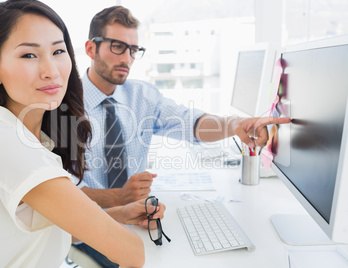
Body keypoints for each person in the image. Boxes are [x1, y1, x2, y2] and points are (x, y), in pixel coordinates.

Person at [0, 1, 166, 267]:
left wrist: (120, 213)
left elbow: (51, 222)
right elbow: (132, 253)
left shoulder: (12, 134)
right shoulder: (7, 147)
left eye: (58, 51)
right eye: (29, 55)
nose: (51, 71)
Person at [75, 5, 290, 267]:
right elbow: (59, 191)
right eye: (117, 46)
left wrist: (234, 124)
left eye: (133, 50)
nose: (127, 58)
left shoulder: (142, 95)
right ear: (90, 49)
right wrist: (117, 198)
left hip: (138, 219)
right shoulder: (63, 104)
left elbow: (192, 124)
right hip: (85, 228)